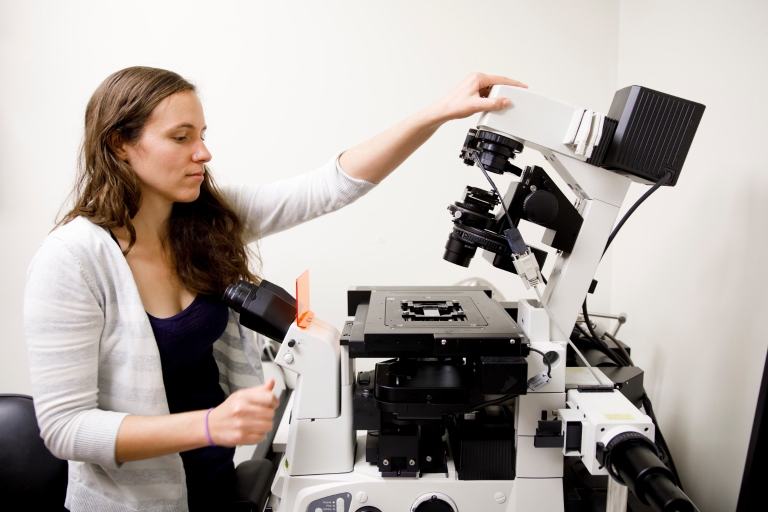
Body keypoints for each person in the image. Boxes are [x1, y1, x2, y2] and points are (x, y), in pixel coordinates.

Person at [24, 66, 526, 511]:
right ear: (119, 145)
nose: (204, 152)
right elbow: (66, 429)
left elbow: (330, 186)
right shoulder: (73, 259)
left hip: (214, 484)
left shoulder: (207, 220)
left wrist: (438, 113)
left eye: (201, 134)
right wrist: (207, 425)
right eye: (181, 137)